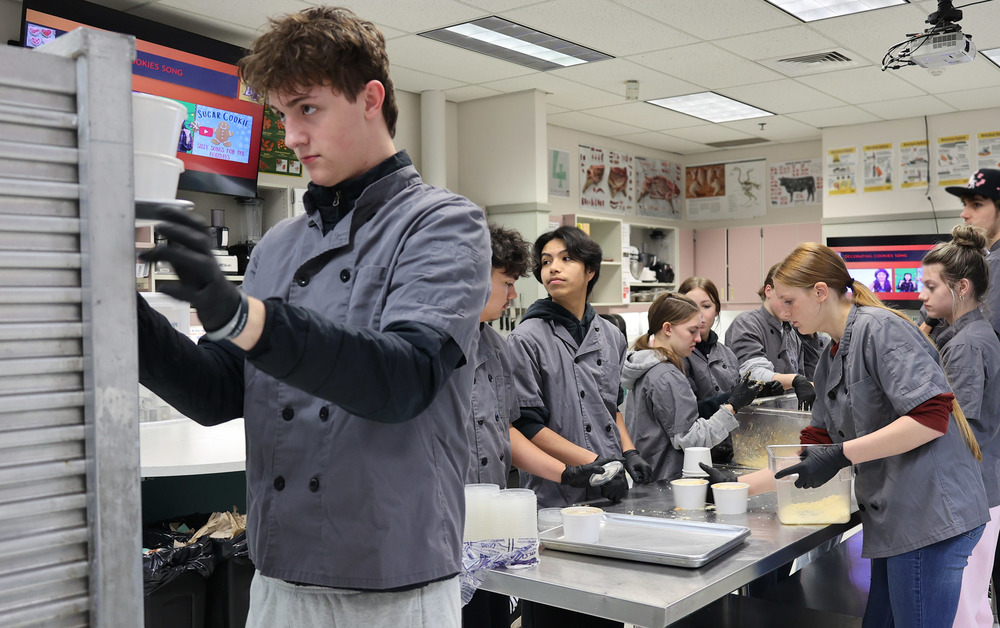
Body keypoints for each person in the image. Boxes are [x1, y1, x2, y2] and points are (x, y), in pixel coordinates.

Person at [137, 8, 491, 627]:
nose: (293, 136)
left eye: (307, 109)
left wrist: (247, 317)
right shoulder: (277, 244)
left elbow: (400, 379)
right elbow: (220, 390)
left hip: (393, 582)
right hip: (278, 574)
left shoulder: (443, 224)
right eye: (281, 115)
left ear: (370, 98)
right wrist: (117, 308)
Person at [705, 241, 988, 627]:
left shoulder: (880, 329)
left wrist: (843, 454)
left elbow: (931, 417)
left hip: (931, 514)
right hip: (900, 517)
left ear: (820, 292)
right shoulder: (831, 357)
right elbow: (816, 447)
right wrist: (737, 485)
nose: (783, 314)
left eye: (790, 302)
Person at [464, 223, 609, 628]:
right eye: (508, 282)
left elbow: (506, 430)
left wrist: (571, 472)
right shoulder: (428, 348)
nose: (515, 294)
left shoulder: (493, 345)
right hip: (441, 530)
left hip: (488, 525)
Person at [506, 225, 649, 628]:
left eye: (566, 259)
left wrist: (629, 451)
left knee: (606, 605)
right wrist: (597, 466)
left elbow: (611, 406)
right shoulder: (526, 337)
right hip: (556, 496)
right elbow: (529, 425)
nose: (553, 268)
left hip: (608, 495)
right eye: (546, 261)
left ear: (590, 270)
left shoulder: (610, 334)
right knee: (559, 611)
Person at [919, 225, 1000, 628]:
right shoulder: (969, 334)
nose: (922, 296)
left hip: (973, 492)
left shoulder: (968, 345)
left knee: (963, 611)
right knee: (973, 603)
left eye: (931, 287)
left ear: (962, 286)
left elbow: (952, 427)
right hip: (982, 489)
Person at [621, 292, 760, 482]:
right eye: (691, 331)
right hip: (668, 479)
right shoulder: (667, 375)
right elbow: (691, 440)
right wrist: (732, 406)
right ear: (668, 329)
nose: (698, 338)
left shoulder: (644, 364)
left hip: (651, 475)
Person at [725, 263, 822, 410]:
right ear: (768, 290)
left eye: (794, 301)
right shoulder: (747, 323)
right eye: (786, 300)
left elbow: (802, 377)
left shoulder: (791, 333)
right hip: (755, 417)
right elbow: (753, 374)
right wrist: (795, 380)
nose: (790, 308)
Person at [920, 168, 1000, 339]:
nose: (964, 214)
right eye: (965, 204)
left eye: (976, 204)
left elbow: (980, 337)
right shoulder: (983, 258)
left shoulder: (995, 264)